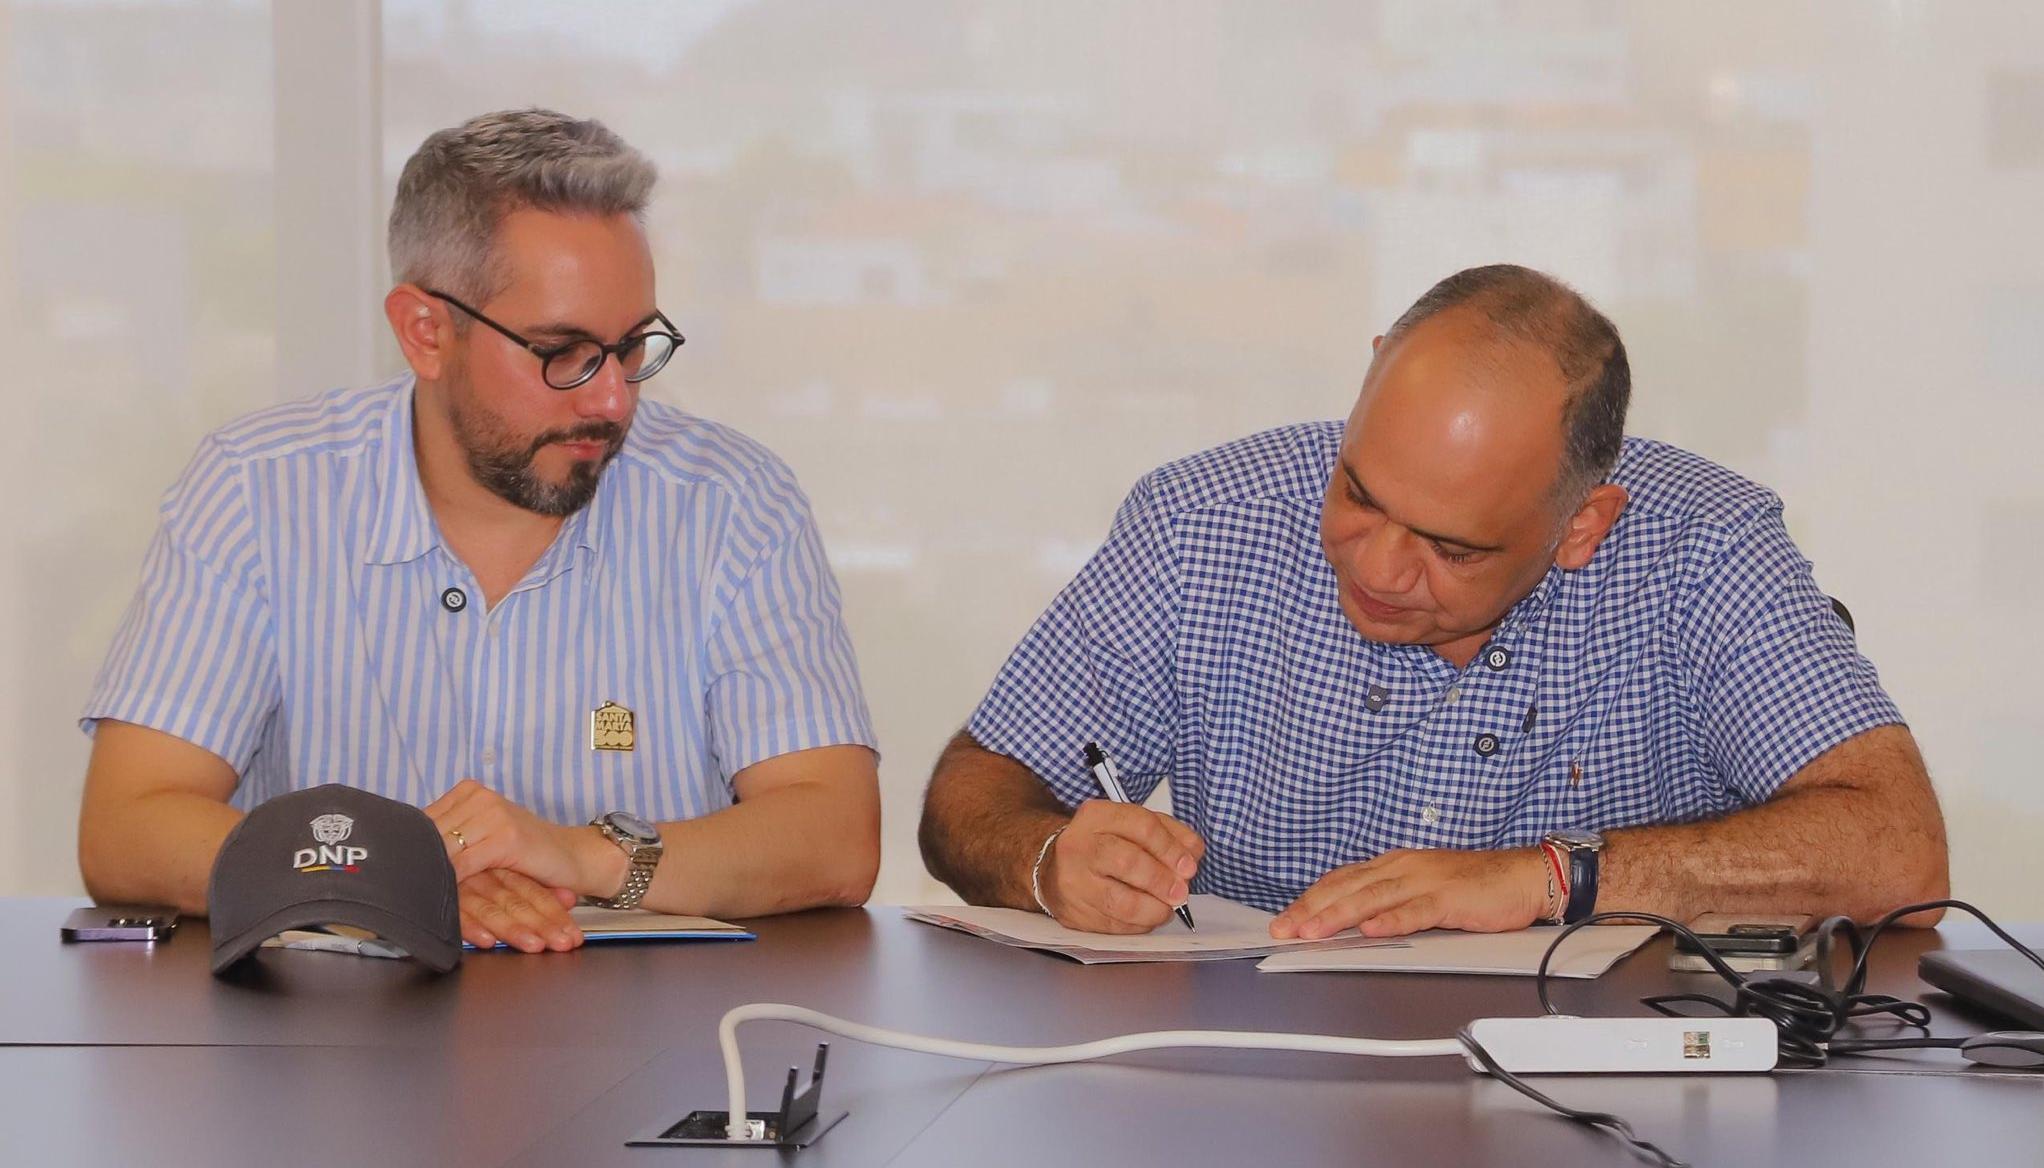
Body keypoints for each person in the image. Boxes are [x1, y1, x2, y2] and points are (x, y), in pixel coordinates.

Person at [920, 264, 1948, 939]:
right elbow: (974, 791)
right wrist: (1046, 860)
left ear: (1581, 526)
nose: (1377, 566)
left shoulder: (1704, 550)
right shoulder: (1202, 526)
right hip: (1261, 1087)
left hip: (1607, 1089)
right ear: (1371, 376)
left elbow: (1898, 850)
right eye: (1358, 493)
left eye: (1451, 548)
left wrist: (1549, 878)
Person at [78, 109, 881, 953]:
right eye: (563, 351)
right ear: (425, 332)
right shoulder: (258, 489)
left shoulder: (731, 504)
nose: (613, 399)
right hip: (338, 1023)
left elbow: (834, 836)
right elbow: (128, 828)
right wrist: (387, 879)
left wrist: (578, 856)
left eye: (632, 345)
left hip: (655, 1021)